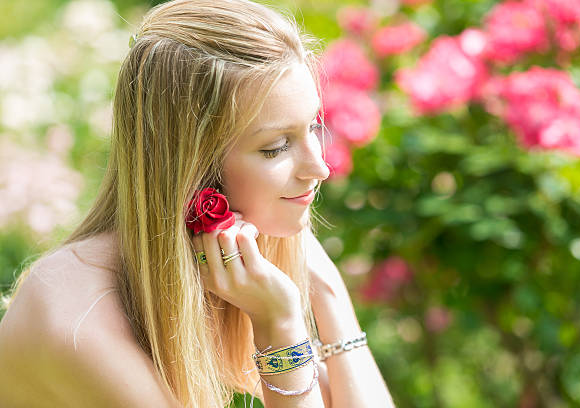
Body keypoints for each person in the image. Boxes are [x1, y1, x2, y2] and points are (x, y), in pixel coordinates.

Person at [0, 0, 396, 407]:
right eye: (276, 148)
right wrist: (280, 328)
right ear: (191, 171)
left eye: (314, 126)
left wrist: (328, 295)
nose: (320, 168)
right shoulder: (78, 320)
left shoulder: (236, 273)